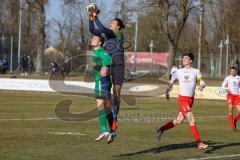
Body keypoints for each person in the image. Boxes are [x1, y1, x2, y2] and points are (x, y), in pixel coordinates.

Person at [157, 52, 208, 149]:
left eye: (186, 58)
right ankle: (199, 143)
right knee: (192, 119)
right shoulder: (178, 71)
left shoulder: (196, 71)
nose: (184, 60)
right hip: (182, 99)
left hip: (190, 100)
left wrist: (202, 86)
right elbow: (171, 82)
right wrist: (167, 92)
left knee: (178, 121)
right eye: (183, 58)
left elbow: (202, 81)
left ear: (191, 60)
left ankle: (161, 129)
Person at [88, 11, 125, 131]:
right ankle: (108, 123)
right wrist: (90, 20)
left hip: (118, 64)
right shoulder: (107, 35)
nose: (111, 24)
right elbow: (93, 31)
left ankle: (114, 118)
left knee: (117, 90)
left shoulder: (117, 33)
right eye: (111, 22)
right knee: (106, 94)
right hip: (109, 65)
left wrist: (96, 17)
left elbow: (103, 28)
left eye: (113, 23)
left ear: (118, 26)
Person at [91, 35, 116, 144]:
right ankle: (111, 131)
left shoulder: (101, 52)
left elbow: (108, 63)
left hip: (101, 81)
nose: (92, 39)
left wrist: (104, 77)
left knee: (100, 105)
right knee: (105, 107)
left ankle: (105, 130)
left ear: (100, 42)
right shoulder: (97, 52)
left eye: (95, 38)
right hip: (99, 81)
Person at [221, 66, 240, 131]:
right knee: (230, 109)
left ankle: (234, 121)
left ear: (235, 71)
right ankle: (232, 126)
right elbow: (223, 86)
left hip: (237, 96)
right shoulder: (228, 78)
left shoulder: (239, 78)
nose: (232, 72)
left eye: (233, 71)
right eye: (231, 71)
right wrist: (226, 89)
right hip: (230, 95)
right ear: (230, 71)